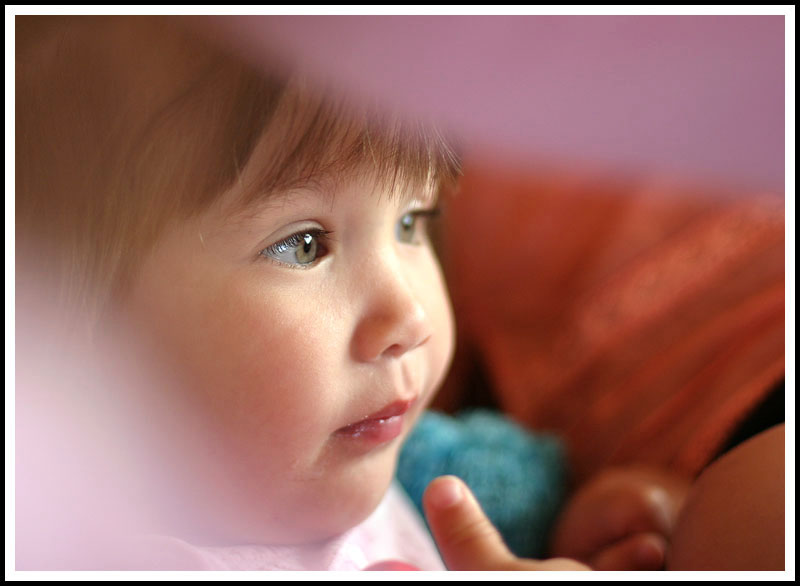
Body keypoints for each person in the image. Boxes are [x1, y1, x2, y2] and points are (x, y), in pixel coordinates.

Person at [16, 15, 746, 572]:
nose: (411, 316)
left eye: (411, 221)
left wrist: (584, 528)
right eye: (304, 245)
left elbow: (525, 509)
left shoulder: (434, 467)